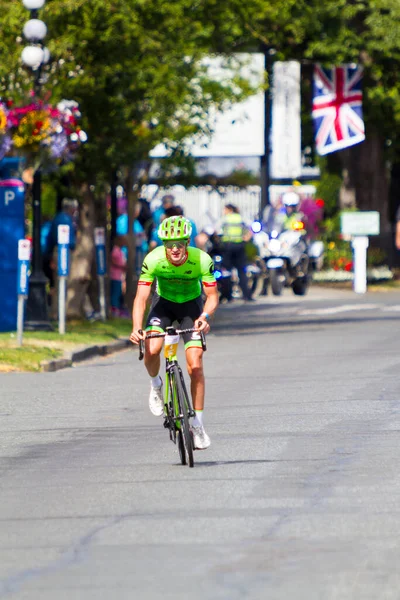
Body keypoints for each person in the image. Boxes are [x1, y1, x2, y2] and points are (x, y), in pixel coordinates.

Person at [130, 215, 219, 450]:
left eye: (180, 243)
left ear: (188, 242)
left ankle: (198, 425)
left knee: (195, 365)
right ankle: (156, 385)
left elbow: (212, 296)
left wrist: (204, 317)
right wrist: (137, 327)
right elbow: (141, 297)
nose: (175, 249)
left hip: (192, 307)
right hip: (164, 304)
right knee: (152, 349)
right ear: (163, 245)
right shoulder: (153, 259)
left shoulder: (202, 260)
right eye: (170, 245)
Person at [219, 203, 254, 302]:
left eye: (225, 209)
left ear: (229, 210)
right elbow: (251, 228)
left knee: (226, 271)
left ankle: (227, 295)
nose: (223, 212)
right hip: (240, 246)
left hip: (228, 247)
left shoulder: (225, 219)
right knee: (242, 271)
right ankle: (247, 295)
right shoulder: (241, 218)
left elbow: (216, 230)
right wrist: (246, 238)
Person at [110, 235, 128, 317]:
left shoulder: (120, 250)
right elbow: (112, 260)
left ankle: (117, 308)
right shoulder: (115, 250)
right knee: (115, 293)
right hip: (115, 275)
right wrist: (121, 266)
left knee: (119, 293)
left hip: (119, 276)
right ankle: (114, 309)